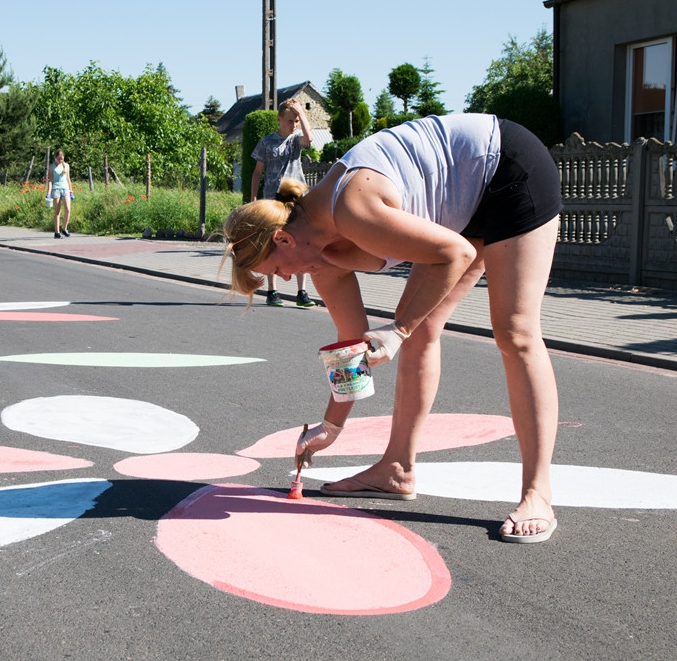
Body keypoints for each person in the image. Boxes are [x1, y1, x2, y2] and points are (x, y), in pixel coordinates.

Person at [223, 113, 563, 544]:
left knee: (514, 331)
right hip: (465, 197)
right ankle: (397, 469)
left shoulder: (350, 208)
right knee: (422, 328)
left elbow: (453, 254)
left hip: (507, 167)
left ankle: (538, 492)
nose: (286, 281)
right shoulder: (320, 259)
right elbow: (351, 348)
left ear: (284, 240)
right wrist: (331, 427)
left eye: (276, 271)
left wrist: (397, 331)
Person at [250, 98, 316, 308]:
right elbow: (257, 172)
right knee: (273, 243)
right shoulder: (267, 142)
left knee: (300, 242)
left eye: (296, 120)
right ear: (279, 120)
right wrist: (253, 198)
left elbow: (309, 137)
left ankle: (302, 292)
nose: (293, 124)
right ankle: (272, 291)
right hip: (273, 199)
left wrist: (302, 114)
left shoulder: (297, 140)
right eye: (290, 120)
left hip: (295, 198)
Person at [45, 150, 73, 238]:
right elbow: (50, 180)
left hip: (65, 189)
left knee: (68, 209)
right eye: (58, 159)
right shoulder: (52, 167)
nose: (60, 160)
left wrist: (71, 191)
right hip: (56, 189)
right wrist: (49, 193)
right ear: (55, 158)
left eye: (62, 158)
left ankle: (64, 228)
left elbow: (68, 179)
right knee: (57, 211)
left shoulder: (67, 166)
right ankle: (57, 232)